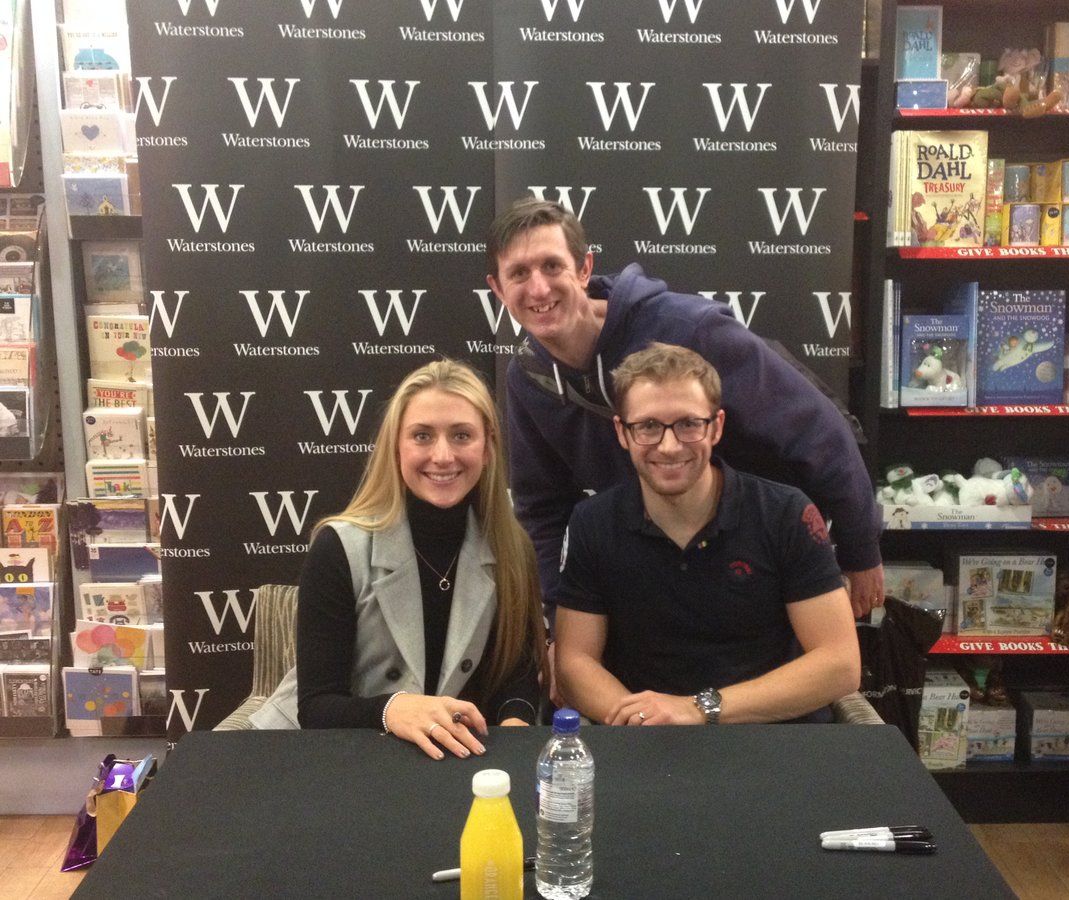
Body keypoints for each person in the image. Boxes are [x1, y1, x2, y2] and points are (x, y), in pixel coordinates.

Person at [485, 198, 883, 631]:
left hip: (761, 552)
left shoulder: (690, 329)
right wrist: (557, 614)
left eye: (552, 266)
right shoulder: (527, 377)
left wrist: (860, 551)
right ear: (498, 289)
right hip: (654, 560)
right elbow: (541, 508)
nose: (539, 289)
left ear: (583, 269)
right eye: (519, 274)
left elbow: (815, 430)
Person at [251, 360, 546, 760]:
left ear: (489, 446)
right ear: (396, 446)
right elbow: (317, 706)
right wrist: (393, 708)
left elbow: (518, 674)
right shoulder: (338, 545)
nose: (443, 455)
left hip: (435, 754)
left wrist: (515, 730)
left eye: (462, 435)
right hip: (322, 750)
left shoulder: (513, 549)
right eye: (422, 436)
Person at [553, 344, 860, 726]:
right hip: (645, 746)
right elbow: (574, 662)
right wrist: (645, 721)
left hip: (770, 742)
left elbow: (840, 664)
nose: (669, 446)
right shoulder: (592, 522)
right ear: (622, 432)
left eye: (688, 424)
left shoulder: (786, 513)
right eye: (648, 426)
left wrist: (698, 709)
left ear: (716, 427)